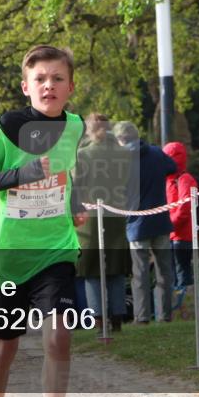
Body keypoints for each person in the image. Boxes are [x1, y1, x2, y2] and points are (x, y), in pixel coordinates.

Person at [0, 44, 87, 397]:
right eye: (40, 79)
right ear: (26, 87)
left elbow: (67, 169)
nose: (48, 85)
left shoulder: (75, 126)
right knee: (6, 344)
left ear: (70, 87)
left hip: (55, 247)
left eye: (57, 78)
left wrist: (74, 202)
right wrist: (23, 173)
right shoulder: (4, 128)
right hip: (7, 253)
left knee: (59, 336)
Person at [113, 121, 178, 324]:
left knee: (139, 273)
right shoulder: (156, 153)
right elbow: (173, 167)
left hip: (136, 223)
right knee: (164, 272)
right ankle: (164, 315)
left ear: (120, 139)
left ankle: (141, 317)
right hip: (160, 221)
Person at [75, 114, 132, 335]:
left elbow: (76, 186)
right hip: (116, 215)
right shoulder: (123, 154)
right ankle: (117, 319)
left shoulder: (83, 155)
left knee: (91, 272)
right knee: (116, 270)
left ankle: (99, 320)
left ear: (89, 129)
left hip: (89, 220)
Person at [163, 141, 199, 319]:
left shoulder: (185, 179)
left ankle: (188, 310)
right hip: (170, 235)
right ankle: (179, 310)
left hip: (182, 236)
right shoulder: (168, 180)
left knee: (182, 273)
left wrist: (170, 224)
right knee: (174, 275)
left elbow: (184, 208)